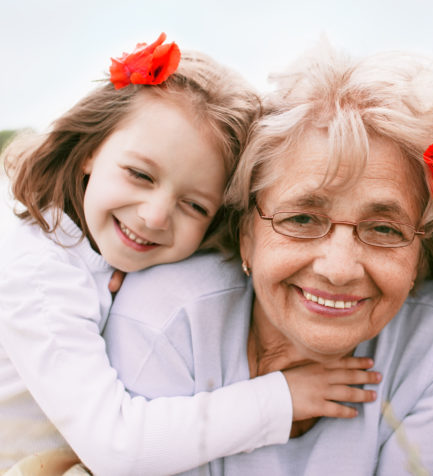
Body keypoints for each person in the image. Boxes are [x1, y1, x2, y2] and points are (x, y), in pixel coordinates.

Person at [0, 34, 379, 475]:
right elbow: (116, 447)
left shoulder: (98, 253)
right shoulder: (39, 272)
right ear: (89, 150)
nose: (156, 216)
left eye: (194, 205)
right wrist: (281, 399)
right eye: (140, 174)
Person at [102, 41, 433, 475]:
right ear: (246, 233)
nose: (339, 269)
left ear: (419, 253)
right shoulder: (168, 318)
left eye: (384, 229)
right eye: (302, 218)